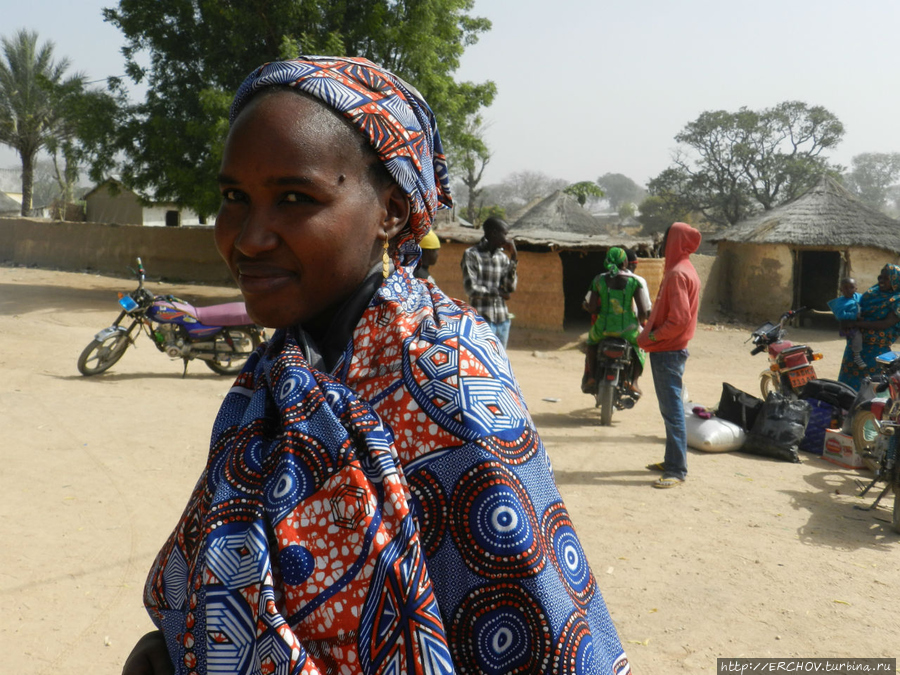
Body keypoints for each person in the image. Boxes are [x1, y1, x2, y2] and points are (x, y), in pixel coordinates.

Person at [122, 56, 629, 675]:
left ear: (390, 210)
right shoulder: (282, 368)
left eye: (293, 197)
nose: (249, 237)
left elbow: (548, 642)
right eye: (234, 197)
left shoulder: (444, 390)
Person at [637, 222, 702, 489]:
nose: (663, 243)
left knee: (673, 410)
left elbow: (679, 319)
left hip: (668, 349)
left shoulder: (677, 273)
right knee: (669, 409)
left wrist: (651, 336)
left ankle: (676, 469)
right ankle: (671, 459)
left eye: (667, 238)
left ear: (675, 241)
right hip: (673, 348)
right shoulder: (686, 269)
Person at [582, 247, 649, 395]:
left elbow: (592, 307)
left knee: (591, 344)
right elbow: (643, 311)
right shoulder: (634, 282)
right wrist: (639, 322)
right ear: (625, 262)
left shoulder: (599, 280)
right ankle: (634, 382)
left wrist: (601, 311)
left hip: (603, 328)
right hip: (628, 329)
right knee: (641, 346)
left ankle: (592, 378)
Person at [838, 264, 900, 390]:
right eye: (880, 277)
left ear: (895, 281)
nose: (881, 281)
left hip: (876, 349)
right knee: (846, 384)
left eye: (886, 278)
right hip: (854, 347)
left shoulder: (897, 300)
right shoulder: (871, 294)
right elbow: (856, 310)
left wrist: (856, 324)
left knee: (871, 384)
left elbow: (886, 323)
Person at [461, 216, 517, 348]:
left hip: (503, 320)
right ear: (493, 233)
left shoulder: (503, 258)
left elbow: (510, 288)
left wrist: (514, 258)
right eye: (504, 234)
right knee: (483, 364)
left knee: (499, 364)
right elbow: (471, 289)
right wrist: (497, 292)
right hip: (482, 320)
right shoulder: (472, 255)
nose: (507, 238)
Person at [827, 277, 865, 368]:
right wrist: (854, 316)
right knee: (856, 338)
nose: (848, 290)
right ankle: (856, 357)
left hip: (861, 323)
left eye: (851, 287)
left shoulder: (860, 297)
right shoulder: (840, 302)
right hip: (848, 326)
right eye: (845, 288)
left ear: (856, 288)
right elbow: (840, 315)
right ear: (841, 289)